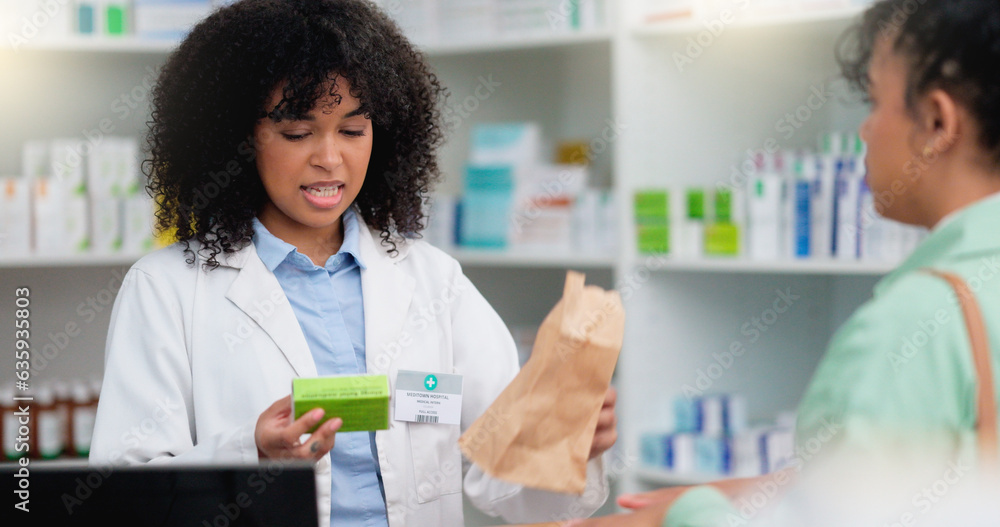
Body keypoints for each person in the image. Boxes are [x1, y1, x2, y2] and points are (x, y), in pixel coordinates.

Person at [88, 1, 616, 526]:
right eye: (298, 133)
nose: (329, 158)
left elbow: (513, 487)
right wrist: (250, 453)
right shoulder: (167, 288)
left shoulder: (433, 279)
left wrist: (564, 445)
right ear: (237, 139)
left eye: (352, 129)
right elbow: (126, 498)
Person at [577, 0, 1000, 525]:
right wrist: (801, 489)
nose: (865, 130)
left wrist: (686, 514)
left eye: (873, 101)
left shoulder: (916, 322)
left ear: (937, 121)